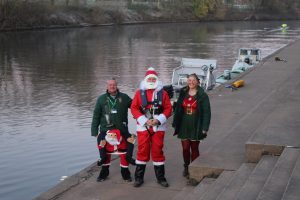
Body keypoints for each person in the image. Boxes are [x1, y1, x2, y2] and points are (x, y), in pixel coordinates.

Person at [131, 67, 172, 187]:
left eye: (154, 78)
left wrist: (159, 120)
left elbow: (169, 108)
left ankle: (161, 178)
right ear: (145, 80)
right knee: (142, 150)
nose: (152, 80)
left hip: (158, 127)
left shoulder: (163, 93)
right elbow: (134, 108)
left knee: (157, 150)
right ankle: (138, 178)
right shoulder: (139, 93)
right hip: (143, 127)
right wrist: (144, 120)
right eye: (150, 78)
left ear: (157, 80)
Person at [91, 78, 135, 182]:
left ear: (117, 85)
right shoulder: (101, 99)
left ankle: (125, 174)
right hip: (106, 130)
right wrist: (94, 131)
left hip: (122, 130)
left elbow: (135, 106)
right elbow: (96, 115)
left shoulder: (124, 97)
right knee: (104, 153)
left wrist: (142, 102)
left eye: (114, 85)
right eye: (110, 85)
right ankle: (104, 173)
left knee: (127, 149)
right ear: (107, 86)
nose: (112, 86)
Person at [172, 73, 211, 178]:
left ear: (198, 81)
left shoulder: (202, 95)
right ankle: (186, 167)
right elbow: (178, 108)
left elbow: (207, 112)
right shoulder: (183, 92)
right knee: (185, 148)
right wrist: (175, 120)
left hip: (196, 124)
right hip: (184, 124)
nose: (191, 82)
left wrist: (205, 128)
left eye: (193, 80)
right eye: (189, 80)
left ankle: (194, 168)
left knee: (194, 148)